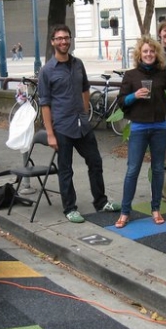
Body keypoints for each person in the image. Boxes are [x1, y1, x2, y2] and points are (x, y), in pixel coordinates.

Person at [38, 24, 120, 223]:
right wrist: (50, 133)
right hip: (62, 127)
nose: (63, 41)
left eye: (66, 37)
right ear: (53, 42)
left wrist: (84, 112)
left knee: (95, 162)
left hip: (81, 125)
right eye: (59, 38)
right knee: (66, 169)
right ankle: (70, 208)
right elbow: (45, 104)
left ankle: (101, 201)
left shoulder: (78, 64)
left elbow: (85, 89)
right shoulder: (47, 70)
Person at [114, 36, 166, 228]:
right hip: (139, 127)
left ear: (156, 54)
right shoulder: (131, 75)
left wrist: (165, 107)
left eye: (152, 51)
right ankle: (125, 212)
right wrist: (134, 95)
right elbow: (121, 101)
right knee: (133, 169)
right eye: (145, 51)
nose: (149, 54)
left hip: (160, 127)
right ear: (139, 54)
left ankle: (156, 209)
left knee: (158, 169)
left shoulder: (162, 74)